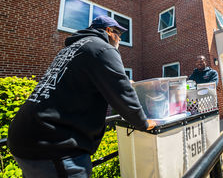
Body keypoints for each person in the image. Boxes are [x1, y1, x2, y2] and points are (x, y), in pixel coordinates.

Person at [7, 15, 156, 178]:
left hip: (25, 135)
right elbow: (123, 94)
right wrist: (142, 122)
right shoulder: (104, 49)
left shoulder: (73, 49)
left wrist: (124, 80)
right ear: (108, 31)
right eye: (118, 34)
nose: (120, 39)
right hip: (53, 144)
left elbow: (84, 79)